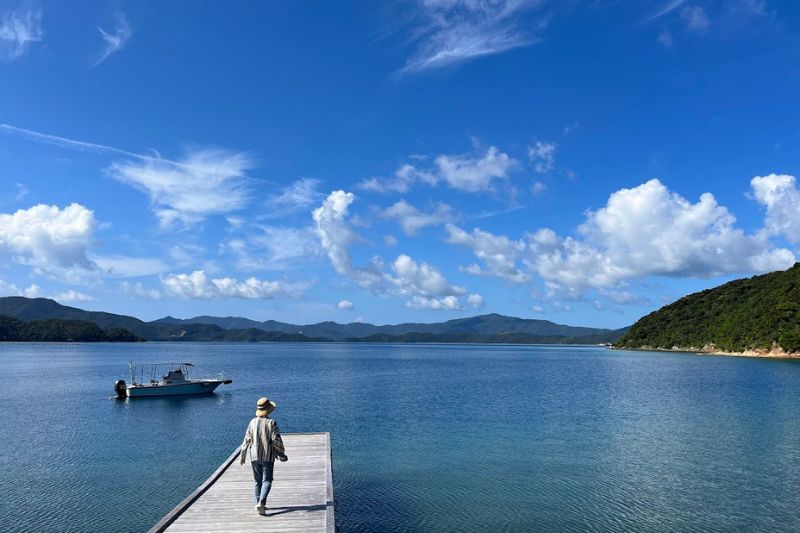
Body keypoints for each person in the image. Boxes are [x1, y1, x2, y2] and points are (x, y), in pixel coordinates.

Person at [240, 396, 288, 515]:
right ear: (269, 410)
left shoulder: (252, 422)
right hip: (268, 456)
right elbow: (276, 441)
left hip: (254, 456)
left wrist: (243, 455)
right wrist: (281, 455)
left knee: (257, 481)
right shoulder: (272, 423)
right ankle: (261, 502)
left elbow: (246, 440)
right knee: (267, 480)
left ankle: (258, 503)